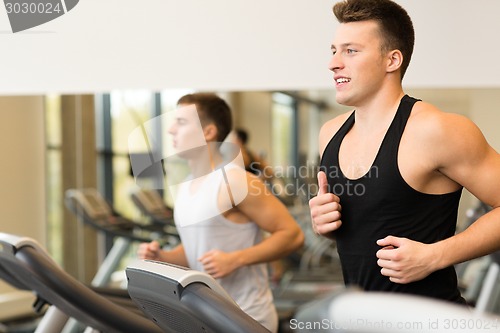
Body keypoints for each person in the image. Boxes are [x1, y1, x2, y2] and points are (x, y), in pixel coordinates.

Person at [309, 0, 500, 305]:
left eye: (351, 50)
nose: (333, 63)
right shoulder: (330, 134)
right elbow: (369, 226)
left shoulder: (436, 130)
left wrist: (434, 256)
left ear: (392, 60)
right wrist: (326, 224)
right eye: (333, 50)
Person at [138, 93, 304, 332]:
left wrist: (235, 259)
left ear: (208, 133)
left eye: (181, 122)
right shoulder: (185, 186)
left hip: (245, 316)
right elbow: (196, 249)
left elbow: (292, 234)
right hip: (202, 314)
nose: (171, 130)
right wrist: (162, 257)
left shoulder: (235, 180)